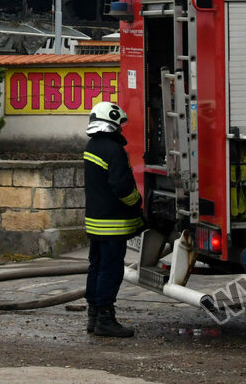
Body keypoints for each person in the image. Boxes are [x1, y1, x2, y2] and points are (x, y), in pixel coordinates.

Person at [82, 100, 143, 337]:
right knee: (111, 270)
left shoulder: (91, 146)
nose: (121, 129)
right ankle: (105, 320)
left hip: (95, 222)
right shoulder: (114, 150)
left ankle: (94, 316)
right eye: (119, 125)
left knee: (96, 267)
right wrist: (137, 202)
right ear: (112, 122)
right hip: (113, 224)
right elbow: (122, 188)